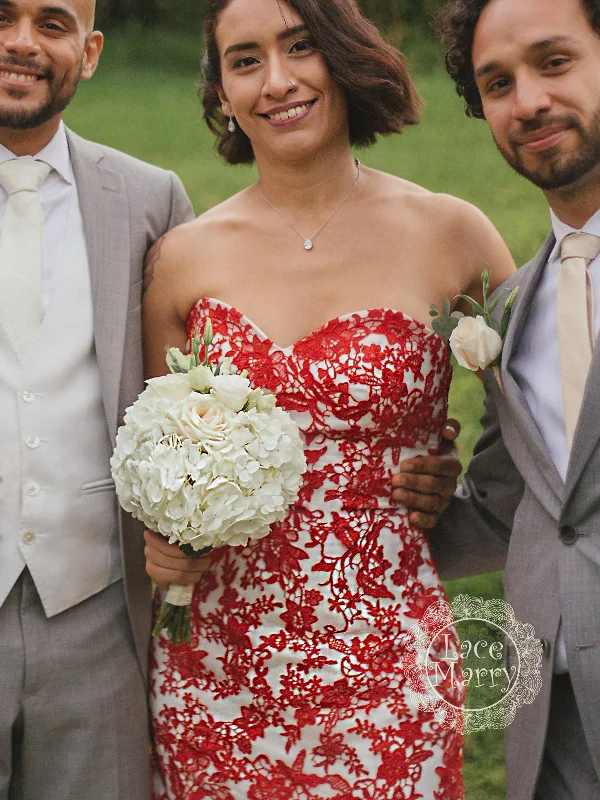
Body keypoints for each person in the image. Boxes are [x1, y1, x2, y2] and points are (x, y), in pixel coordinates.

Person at [142, 0, 514, 796]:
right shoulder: (183, 260)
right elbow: (154, 456)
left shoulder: (452, 234)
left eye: (301, 47)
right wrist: (162, 539)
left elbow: (555, 433)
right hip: (216, 662)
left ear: (344, 56)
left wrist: (461, 491)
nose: (277, 81)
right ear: (224, 92)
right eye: (246, 61)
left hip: (388, 654)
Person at [393, 0, 600, 797]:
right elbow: (519, 506)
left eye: (554, 63)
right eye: (498, 83)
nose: (528, 101)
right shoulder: (511, 310)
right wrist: (409, 505)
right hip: (557, 733)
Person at [0, 0, 195, 797]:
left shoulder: (150, 199)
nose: (21, 42)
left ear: (91, 51)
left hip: (95, 612)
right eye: (2, 16)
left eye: (51, 23)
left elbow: (189, 390)